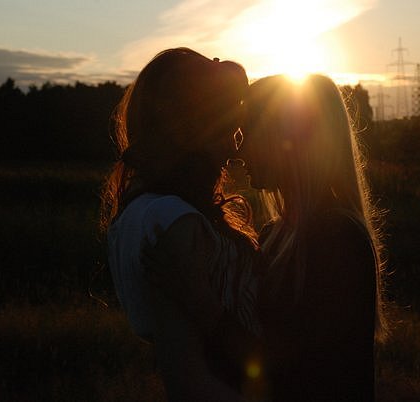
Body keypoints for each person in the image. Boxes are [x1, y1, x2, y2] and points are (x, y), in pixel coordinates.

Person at [99, 47, 261, 401]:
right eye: (226, 119)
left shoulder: (141, 213)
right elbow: (189, 381)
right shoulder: (175, 222)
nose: (236, 142)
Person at [239, 74, 388, 401]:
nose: (240, 150)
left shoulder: (338, 238)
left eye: (248, 132)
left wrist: (201, 306)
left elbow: (289, 364)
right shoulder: (275, 234)